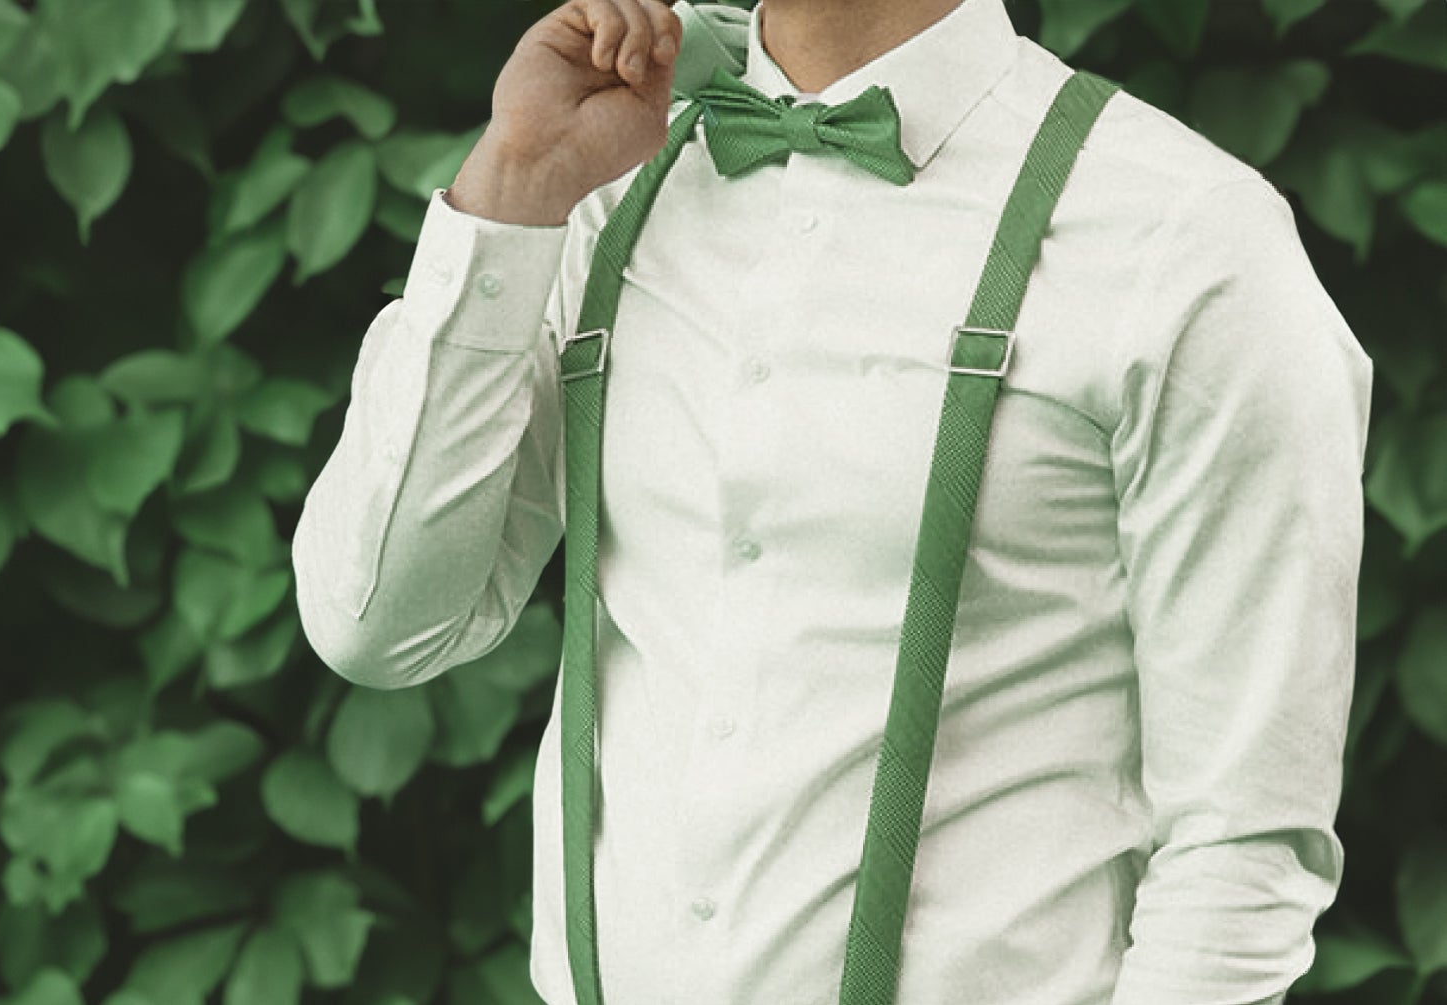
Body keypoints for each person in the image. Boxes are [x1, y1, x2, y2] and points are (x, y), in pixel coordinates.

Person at [288, 0, 1375, 1003]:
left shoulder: (1184, 237)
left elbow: (1242, 844)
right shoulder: (606, 186)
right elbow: (378, 622)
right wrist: (514, 189)